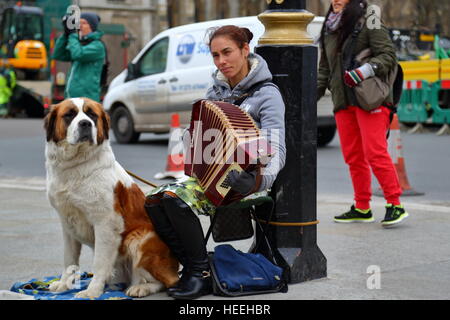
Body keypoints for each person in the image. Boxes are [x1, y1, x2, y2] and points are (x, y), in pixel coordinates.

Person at [144, 25, 286, 300]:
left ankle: (201, 274)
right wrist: (191, 138)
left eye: (227, 52)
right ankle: (196, 266)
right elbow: (195, 135)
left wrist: (257, 180)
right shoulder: (215, 90)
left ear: (246, 50)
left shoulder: (267, 95)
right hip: (209, 177)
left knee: (175, 198)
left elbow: (276, 149)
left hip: (247, 182)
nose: (222, 61)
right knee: (153, 199)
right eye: (215, 55)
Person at [317, 0, 408, 227]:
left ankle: (395, 204)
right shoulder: (329, 26)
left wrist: (364, 71)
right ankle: (362, 207)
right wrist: (309, 101)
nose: (336, 0)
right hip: (343, 100)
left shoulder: (370, 17)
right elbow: (324, 70)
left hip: (370, 98)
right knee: (353, 157)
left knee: (375, 152)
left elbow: (388, 55)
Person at [52, 12, 105, 102]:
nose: (80, 26)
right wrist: (66, 34)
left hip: (87, 100)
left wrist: (72, 34)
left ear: (92, 27)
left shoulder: (98, 46)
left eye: (84, 23)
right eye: (79, 23)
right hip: (72, 98)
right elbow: (58, 54)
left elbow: (78, 54)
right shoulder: (79, 43)